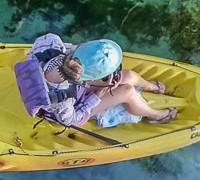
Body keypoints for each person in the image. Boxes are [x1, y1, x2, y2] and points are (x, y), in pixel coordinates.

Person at [24, 33, 177, 126]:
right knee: (127, 91)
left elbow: (66, 58)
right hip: (71, 106)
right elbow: (71, 120)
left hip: (67, 78)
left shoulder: (50, 42)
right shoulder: (62, 102)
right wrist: (99, 94)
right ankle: (155, 116)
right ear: (91, 80)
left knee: (128, 75)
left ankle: (152, 87)